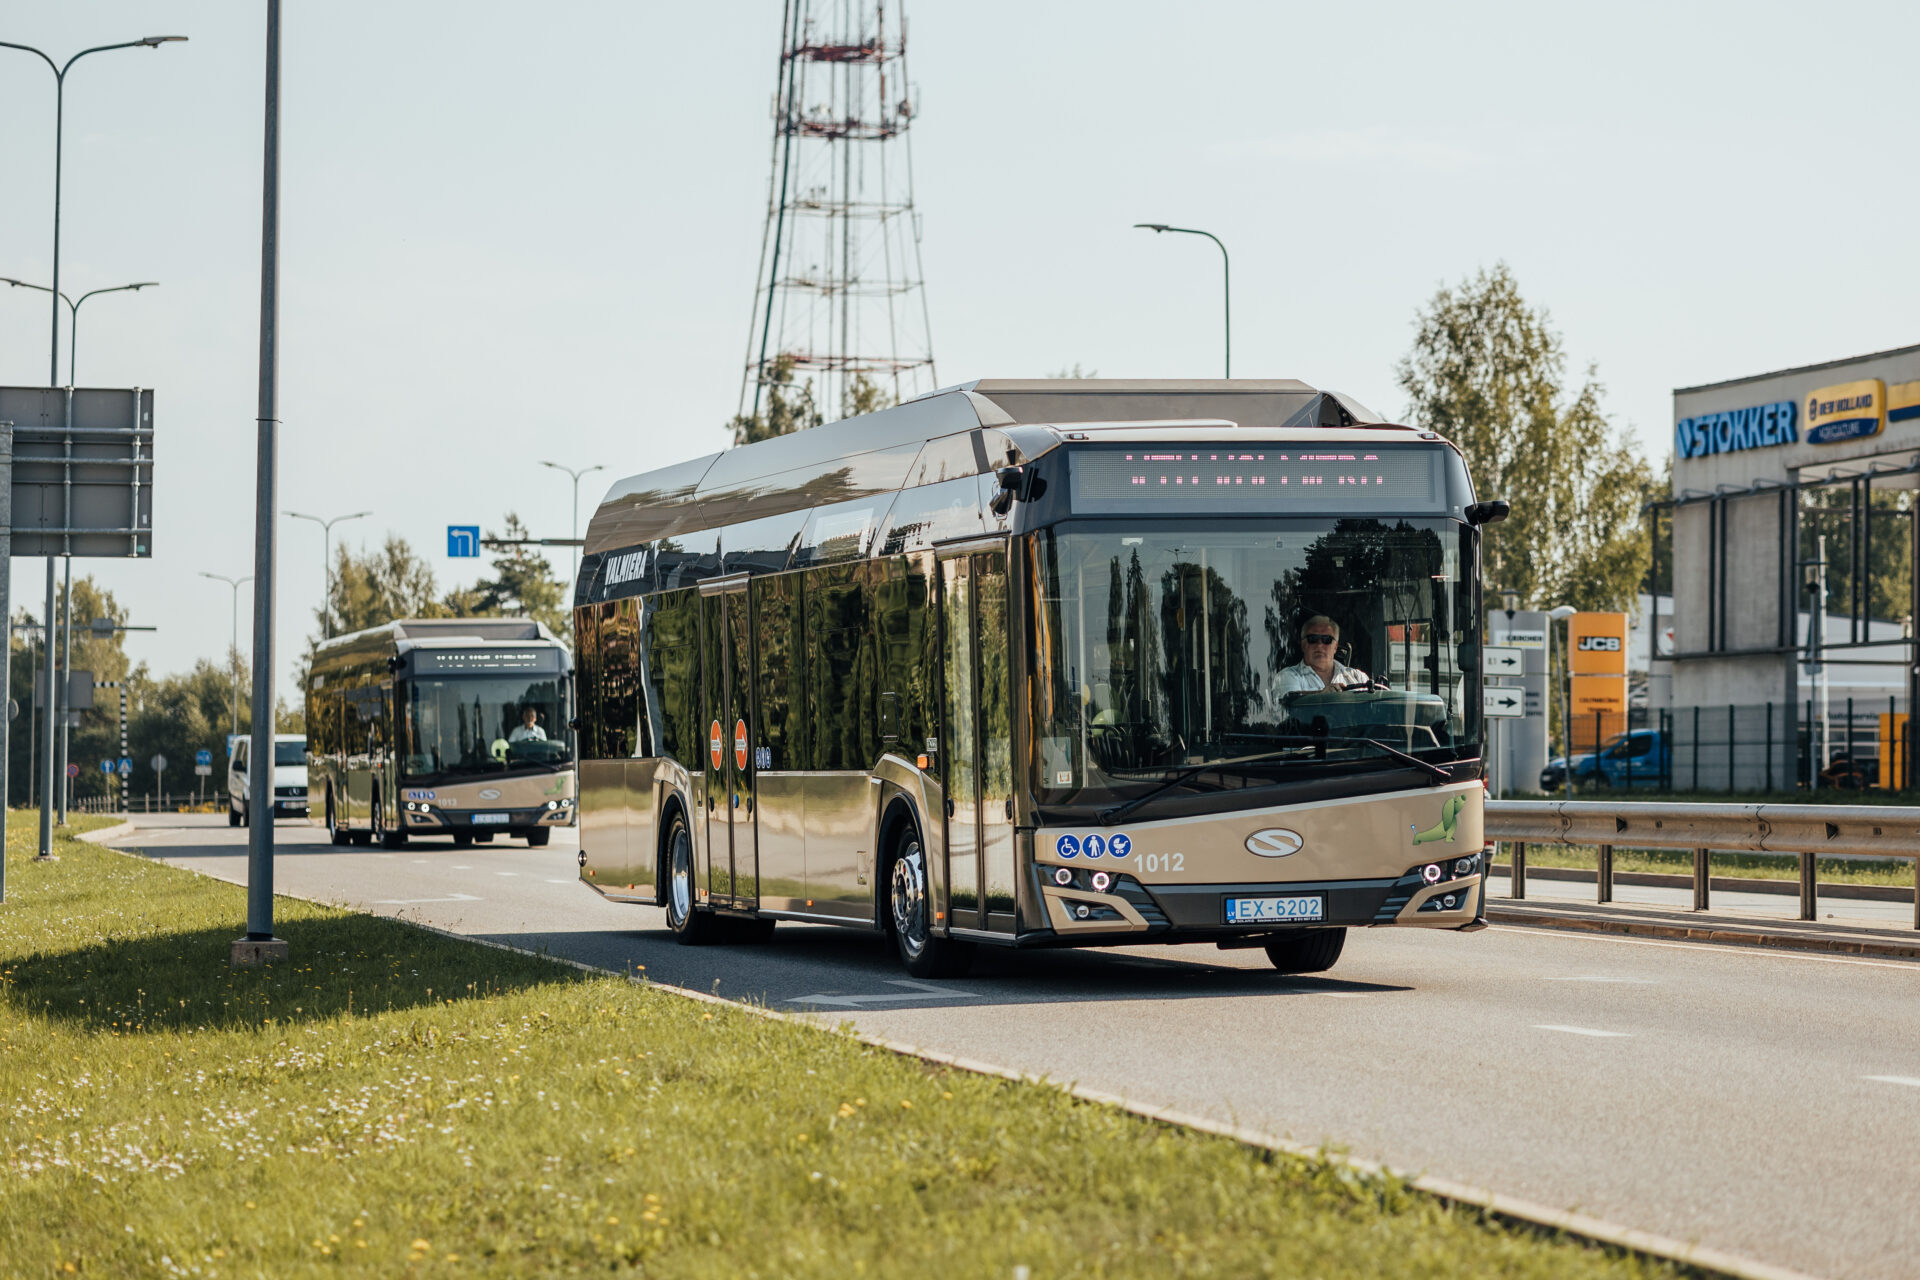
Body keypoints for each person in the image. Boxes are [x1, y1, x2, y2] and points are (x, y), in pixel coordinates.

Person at [1273, 615, 1370, 698]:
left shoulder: (1358, 678)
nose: (1319, 645)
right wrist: (1321, 696)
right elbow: (1288, 705)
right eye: (1312, 639)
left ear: (1335, 647)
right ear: (1303, 645)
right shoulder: (1286, 676)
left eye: (1327, 639)